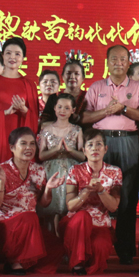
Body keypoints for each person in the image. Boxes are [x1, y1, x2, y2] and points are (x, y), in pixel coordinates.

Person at [80, 44, 139, 265]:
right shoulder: (96, 87)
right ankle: (95, 245)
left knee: (127, 195)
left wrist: (124, 109)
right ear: (107, 63)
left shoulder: (138, 87)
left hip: (129, 141)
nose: (118, 63)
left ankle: (125, 248)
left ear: (129, 63)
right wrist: (106, 111)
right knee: (99, 190)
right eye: (114, 59)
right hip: (102, 141)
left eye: (122, 59)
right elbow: (84, 117)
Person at [0, 127, 64, 275]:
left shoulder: (38, 170)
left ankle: (23, 261)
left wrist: (48, 189)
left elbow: (44, 203)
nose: (29, 148)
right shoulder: (1, 170)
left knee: (56, 246)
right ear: (12, 148)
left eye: (32, 144)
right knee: (29, 217)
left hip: (29, 226)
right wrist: (1, 182)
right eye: (23, 143)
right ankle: (15, 262)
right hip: (3, 225)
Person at [62, 129, 121, 275]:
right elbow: (70, 206)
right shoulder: (75, 170)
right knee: (83, 216)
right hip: (77, 224)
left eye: (99, 144)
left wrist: (101, 190)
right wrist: (86, 192)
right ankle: (77, 263)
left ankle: (86, 260)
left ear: (105, 149)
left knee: (100, 248)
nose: (95, 148)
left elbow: (113, 207)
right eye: (90, 145)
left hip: (100, 224)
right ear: (84, 150)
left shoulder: (115, 172)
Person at [0, 37, 39, 164]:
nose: (12, 57)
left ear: (23, 58)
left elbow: (34, 118)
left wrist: (24, 110)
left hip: (20, 135)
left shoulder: (29, 85)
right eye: (8, 53)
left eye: (17, 54)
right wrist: (4, 113)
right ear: (2, 56)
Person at [37, 93, 85, 227]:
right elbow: (41, 156)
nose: (62, 111)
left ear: (73, 110)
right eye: (59, 107)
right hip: (51, 171)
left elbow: (82, 156)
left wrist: (70, 150)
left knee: (67, 208)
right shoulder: (46, 129)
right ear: (54, 108)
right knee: (50, 208)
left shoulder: (77, 130)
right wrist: (56, 149)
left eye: (67, 108)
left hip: (71, 170)